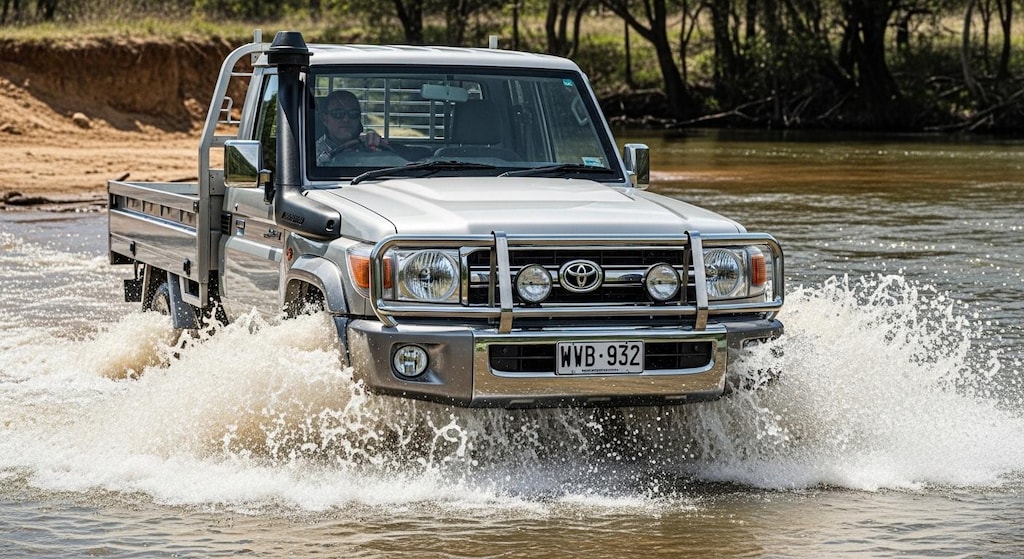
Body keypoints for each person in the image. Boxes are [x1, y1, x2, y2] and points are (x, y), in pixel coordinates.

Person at [315, 90, 388, 164]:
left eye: (353, 114)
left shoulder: (370, 148)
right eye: (338, 113)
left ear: (359, 118)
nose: (346, 119)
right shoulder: (310, 153)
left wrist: (376, 147)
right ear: (325, 119)